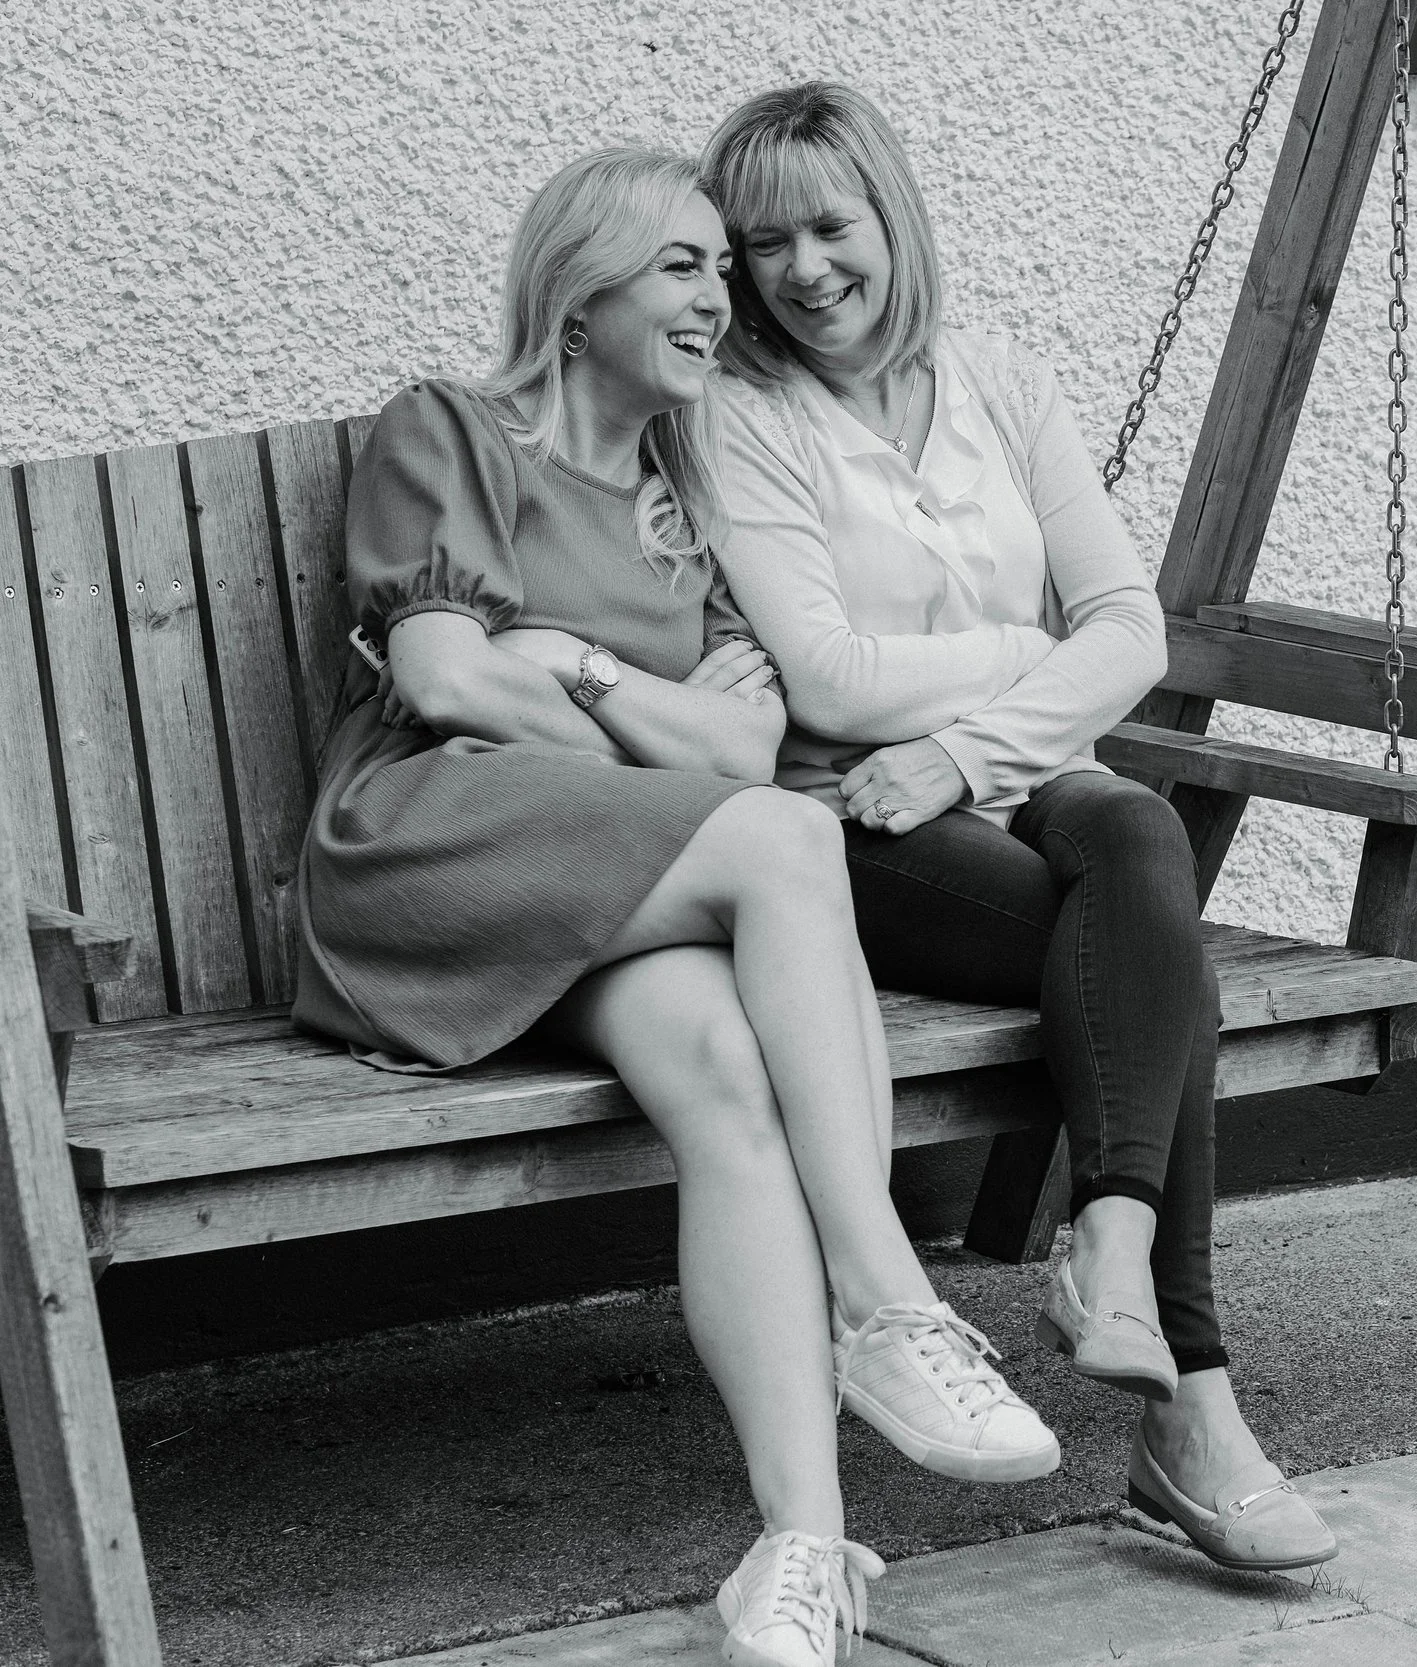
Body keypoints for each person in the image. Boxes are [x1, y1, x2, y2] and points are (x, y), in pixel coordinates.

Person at [290, 147, 1058, 1665]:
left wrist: (563, 673)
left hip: (592, 873)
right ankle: (889, 1301)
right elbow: (442, 682)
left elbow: (738, 743)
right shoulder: (450, 429)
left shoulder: (674, 508)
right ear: (581, 296)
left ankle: (804, 1543)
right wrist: (620, 696)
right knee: (781, 846)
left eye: (725, 266)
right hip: (425, 851)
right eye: (687, 267)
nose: (729, 299)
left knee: (722, 1077)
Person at [698, 83, 1337, 1574]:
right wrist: (1014, 659)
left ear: (891, 220)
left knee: (1134, 840)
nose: (802, 269)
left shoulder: (999, 378)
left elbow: (1136, 627)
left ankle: (1112, 1236)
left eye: (831, 225)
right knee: (1160, 969)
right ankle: (1194, 1415)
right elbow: (831, 682)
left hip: (999, 782)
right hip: (833, 817)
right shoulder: (742, 418)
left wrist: (969, 744)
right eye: (762, 244)